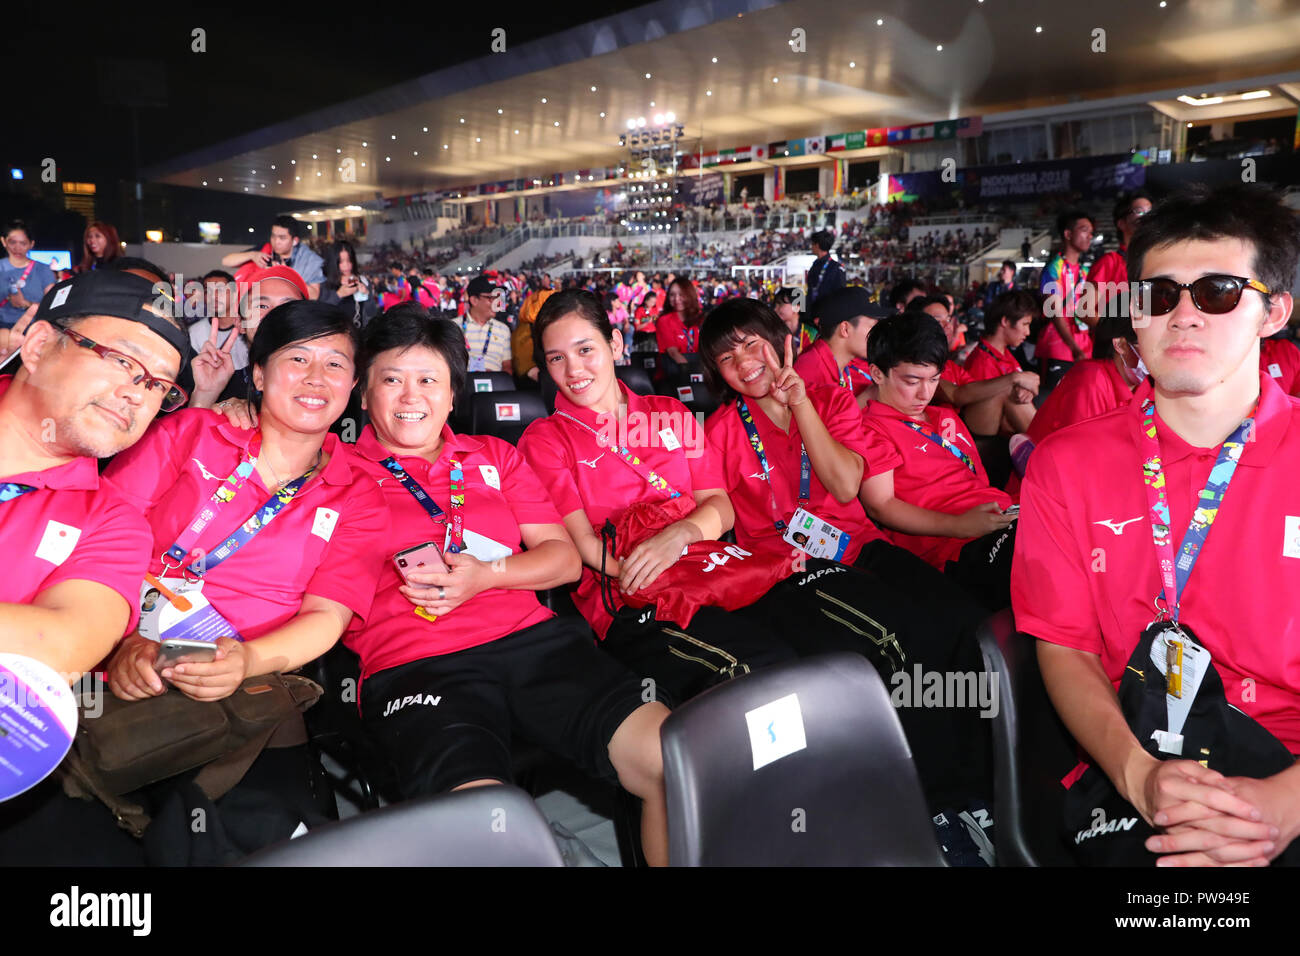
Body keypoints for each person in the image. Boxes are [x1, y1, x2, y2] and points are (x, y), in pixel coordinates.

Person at [1013, 183, 1300, 867]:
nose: (1184, 316)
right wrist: (1140, 776)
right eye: (1159, 295)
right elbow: (1066, 648)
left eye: (1221, 292)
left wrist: (1284, 805)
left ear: (1274, 312)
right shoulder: (1065, 465)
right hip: (1137, 760)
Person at [343, 305, 671, 865]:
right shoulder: (333, 470)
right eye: (391, 380)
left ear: (451, 397)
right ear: (364, 394)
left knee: (677, 763)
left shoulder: (494, 455)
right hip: (416, 665)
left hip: (533, 644)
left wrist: (484, 577)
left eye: (428, 380)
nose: (409, 396)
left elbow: (565, 561)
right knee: (487, 837)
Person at [697, 298, 997, 855]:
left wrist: (801, 406)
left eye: (753, 343)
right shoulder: (718, 432)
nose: (745, 360)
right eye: (727, 356)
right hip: (789, 572)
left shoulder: (832, 399)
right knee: (903, 644)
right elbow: (718, 512)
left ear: (781, 340)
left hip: (859, 549)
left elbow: (841, 486)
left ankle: (980, 789)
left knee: (968, 626)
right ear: (717, 372)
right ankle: (935, 809)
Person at [98, 300, 388, 860]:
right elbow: (102, 542)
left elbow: (327, 617)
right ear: (257, 374)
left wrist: (246, 661)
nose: (314, 378)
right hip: (119, 652)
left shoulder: (360, 492)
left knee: (273, 833)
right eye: (296, 358)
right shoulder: (191, 434)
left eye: (334, 364)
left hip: (250, 677)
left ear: (353, 385)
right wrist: (123, 640)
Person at [519, 289, 798, 705]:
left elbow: (719, 506)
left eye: (585, 349)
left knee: (806, 649)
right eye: (557, 358)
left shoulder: (669, 411)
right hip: (634, 597)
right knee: (754, 674)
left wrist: (679, 535)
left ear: (615, 344)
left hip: (709, 569)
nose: (573, 369)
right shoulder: (545, 439)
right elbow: (582, 544)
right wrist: (639, 568)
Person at [0, 270, 190, 681]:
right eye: (122, 360)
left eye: (159, 385)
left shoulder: (111, 525)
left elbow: (58, 649)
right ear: (38, 347)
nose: (138, 394)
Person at [859, 310, 1018, 610]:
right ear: (877, 374)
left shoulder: (945, 417)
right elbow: (880, 505)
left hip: (1002, 518)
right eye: (912, 380)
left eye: (933, 380)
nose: (925, 392)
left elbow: (978, 483)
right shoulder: (870, 430)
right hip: (956, 547)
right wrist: (959, 525)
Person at [189, 265, 308, 410]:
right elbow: (191, 430)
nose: (274, 314)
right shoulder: (222, 385)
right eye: (262, 306)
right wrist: (204, 396)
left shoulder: (330, 379)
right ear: (240, 323)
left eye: (288, 306)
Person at [958, 291, 1040, 436]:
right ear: (1005, 322)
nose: (1027, 332)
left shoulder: (1004, 354)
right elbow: (993, 415)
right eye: (1025, 324)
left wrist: (1027, 393)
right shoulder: (982, 362)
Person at [792, 286, 880, 403]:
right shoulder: (810, 372)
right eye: (873, 327)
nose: (877, 334)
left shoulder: (839, 363)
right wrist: (870, 394)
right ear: (845, 329)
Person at [1080, 191, 1153, 325]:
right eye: (1139, 211)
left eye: (1150, 211)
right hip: (1117, 344)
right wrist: (1119, 334)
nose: (1146, 217)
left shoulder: (1155, 262)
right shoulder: (1110, 262)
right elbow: (1084, 310)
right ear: (1121, 224)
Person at [1037, 209, 1095, 370]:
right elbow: (1055, 313)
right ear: (1068, 234)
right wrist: (1074, 348)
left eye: (1091, 232)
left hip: (1085, 349)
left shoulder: (1085, 271)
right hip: (1059, 348)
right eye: (1084, 230)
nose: (1090, 236)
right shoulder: (1053, 268)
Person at [222, 215, 325, 300]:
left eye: (282, 238)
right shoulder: (265, 250)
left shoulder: (310, 259)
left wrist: (286, 273)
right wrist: (252, 255)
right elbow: (226, 261)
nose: (276, 242)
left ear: (295, 241)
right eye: (273, 236)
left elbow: (314, 295)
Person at [1, 221, 57, 330]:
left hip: (33, 329)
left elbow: (53, 304)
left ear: (31, 244)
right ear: (4, 241)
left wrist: (26, 304)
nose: (17, 248)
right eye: (12, 242)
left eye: (23, 243)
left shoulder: (42, 269)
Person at [461, 275, 513, 374]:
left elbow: (507, 367)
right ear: (474, 300)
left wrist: (495, 378)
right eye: (491, 298)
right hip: (462, 386)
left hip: (495, 386)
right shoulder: (454, 327)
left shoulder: (503, 330)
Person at [320, 240, 376, 328]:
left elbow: (372, 313)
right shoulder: (325, 284)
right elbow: (321, 313)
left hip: (358, 335)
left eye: (349, 260)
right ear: (334, 263)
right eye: (341, 262)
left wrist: (367, 296)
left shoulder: (363, 281)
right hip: (335, 337)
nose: (346, 266)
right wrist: (339, 295)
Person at [654, 276, 705, 367]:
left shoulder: (701, 319)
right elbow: (673, 352)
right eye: (672, 295)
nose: (677, 299)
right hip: (675, 373)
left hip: (699, 370)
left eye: (681, 294)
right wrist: (691, 373)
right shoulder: (664, 321)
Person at [805, 229, 845, 318]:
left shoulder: (836, 268)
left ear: (817, 245)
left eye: (812, 244)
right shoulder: (815, 265)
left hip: (827, 316)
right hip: (812, 314)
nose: (811, 247)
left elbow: (840, 295)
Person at [773, 286, 816, 357]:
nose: (775, 309)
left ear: (797, 307)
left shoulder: (812, 334)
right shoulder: (773, 333)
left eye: (780, 304)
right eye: (775, 305)